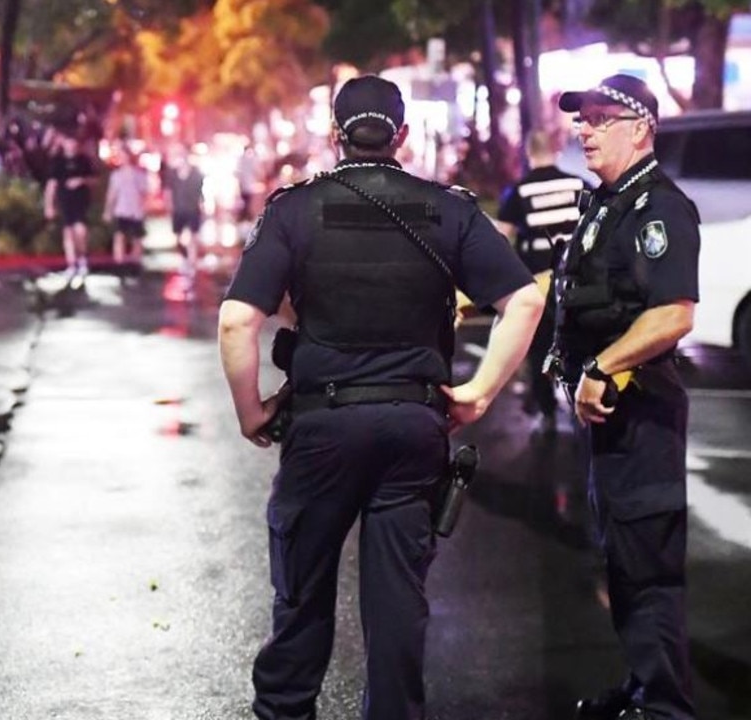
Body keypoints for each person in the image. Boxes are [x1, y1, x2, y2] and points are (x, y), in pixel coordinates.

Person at [218, 75, 544, 720]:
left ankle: (286, 709)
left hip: (322, 429)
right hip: (412, 428)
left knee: (303, 590)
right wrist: (477, 393)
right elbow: (526, 299)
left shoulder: (293, 209)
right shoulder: (448, 210)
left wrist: (251, 409)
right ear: (401, 135)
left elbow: (237, 320)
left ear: (335, 135)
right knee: (399, 598)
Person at [551, 74, 700, 720]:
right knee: (623, 561)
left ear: (639, 128)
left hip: (644, 418)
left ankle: (666, 706)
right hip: (613, 422)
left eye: (600, 117)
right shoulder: (607, 203)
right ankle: (644, 686)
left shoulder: (659, 209)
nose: (584, 129)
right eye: (580, 119)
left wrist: (602, 366)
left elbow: (674, 314)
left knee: (650, 569)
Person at [495, 129, 591, 432]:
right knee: (577, 339)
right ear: (556, 150)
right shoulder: (578, 185)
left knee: (539, 345)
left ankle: (546, 405)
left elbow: (501, 239)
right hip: (577, 281)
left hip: (537, 281)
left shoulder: (519, 192)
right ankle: (580, 398)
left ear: (528, 152)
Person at [44, 132, 98, 278]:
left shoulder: (83, 160)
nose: (71, 145)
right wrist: (49, 205)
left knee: (80, 230)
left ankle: (83, 259)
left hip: (80, 200)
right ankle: (71, 264)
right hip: (64, 200)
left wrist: (81, 181)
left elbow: (94, 180)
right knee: (68, 232)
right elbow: (52, 184)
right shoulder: (58, 161)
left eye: (74, 143)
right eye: (68, 142)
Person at [162, 145, 205, 283]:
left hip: (192, 209)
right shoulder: (172, 173)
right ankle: (185, 258)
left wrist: (202, 205)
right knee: (178, 237)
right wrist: (168, 205)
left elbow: (200, 191)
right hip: (178, 209)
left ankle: (192, 264)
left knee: (193, 237)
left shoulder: (196, 173)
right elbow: (168, 191)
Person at [103, 150, 149, 269]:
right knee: (119, 236)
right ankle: (119, 263)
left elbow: (144, 193)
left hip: (135, 210)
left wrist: (143, 208)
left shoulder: (139, 174)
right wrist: (108, 210)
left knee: (136, 238)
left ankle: (135, 263)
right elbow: (112, 194)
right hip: (121, 209)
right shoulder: (116, 175)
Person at [236, 144, 262, 226]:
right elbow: (256, 170)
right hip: (248, 184)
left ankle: (245, 216)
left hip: (244, 184)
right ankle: (246, 216)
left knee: (245, 200)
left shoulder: (241, 159)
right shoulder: (251, 159)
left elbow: (238, 172)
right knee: (247, 201)